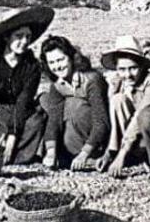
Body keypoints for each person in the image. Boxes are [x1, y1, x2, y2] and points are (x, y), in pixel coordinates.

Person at [0, 6, 53, 164]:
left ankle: (16, 154)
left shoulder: (32, 65)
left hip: (20, 114)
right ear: (6, 37)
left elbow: (23, 102)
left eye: (28, 37)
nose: (24, 42)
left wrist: (11, 138)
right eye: (19, 36)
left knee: (36, 121)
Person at [38, 36, 111, 170]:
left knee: (75, 105)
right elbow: (54, 120)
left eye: (61, 59)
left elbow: (102, 121)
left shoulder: (92, 80)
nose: (57, 66)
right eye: (52, 62)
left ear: (72, 58)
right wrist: (50, 152)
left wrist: (84, 154)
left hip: (99, 138)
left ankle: (91, 156)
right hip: (75, 135)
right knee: (45, 101)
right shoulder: (57, 85)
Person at [98, 35, 150, 178]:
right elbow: (113, 121)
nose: (127, 75)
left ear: (141, 66)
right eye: (122, 69)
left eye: (133, 68)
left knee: (144, 116)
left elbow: (138, 118)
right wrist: (110, 151)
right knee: (117, 100)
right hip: (128, 142)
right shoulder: (117, 83)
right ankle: (125, 154)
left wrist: (121, 155)